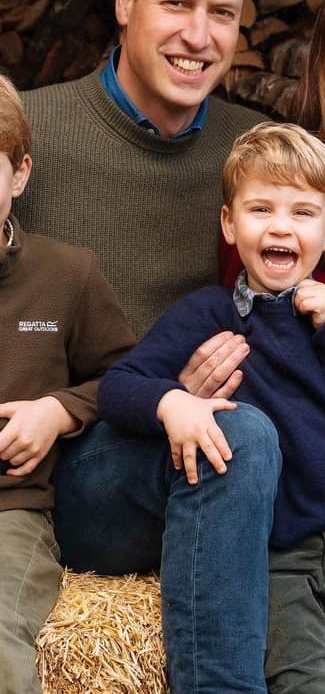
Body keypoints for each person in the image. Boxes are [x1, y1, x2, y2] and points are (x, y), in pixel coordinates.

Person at [16, 0, 282, 694]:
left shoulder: (254, 154)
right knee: (249, 442)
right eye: (177, 4)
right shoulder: (29, 137)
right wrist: (149, 398)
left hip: (199, 454)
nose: (198, 36)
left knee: (250, 439)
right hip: (69, 470)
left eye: (222, 13)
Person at [99, 120, 325, 694]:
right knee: (306, 680)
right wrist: (173, 401)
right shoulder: (208, 314)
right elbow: (118, 386)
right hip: (279, 556)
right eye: (261, 210)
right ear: (230, 225)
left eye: (303, 213)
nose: (281, 226)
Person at [0, 74, 135, 694]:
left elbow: (125, 376)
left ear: (20, 174)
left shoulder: (67, 274)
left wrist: (57, 410)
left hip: (11, 514)